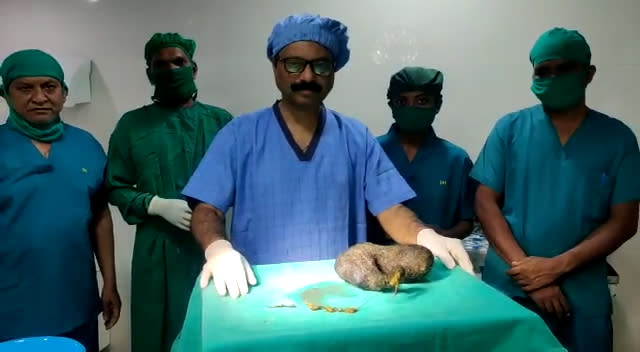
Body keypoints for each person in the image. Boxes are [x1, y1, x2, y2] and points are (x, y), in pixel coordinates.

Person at [181, 13, 474, 300]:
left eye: (320, 66)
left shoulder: (355, 137)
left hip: (345, 291)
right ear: (276, 67)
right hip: (260, 292)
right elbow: (208, 209)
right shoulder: (240, 135)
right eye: (295, 64)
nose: (307, 76)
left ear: (333, 72)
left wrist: (424, 236)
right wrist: (217, 247)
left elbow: (391, 209)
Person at [471, 27, 639, 352]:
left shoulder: (617, 139)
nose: (552, 77)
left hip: (581, 294)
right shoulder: (510, 129)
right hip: (511, 289)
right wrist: (528, 273)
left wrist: (554, 268)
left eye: (564, 69)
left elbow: (624, 222)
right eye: (543, 71)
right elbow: (484, 202)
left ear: (588, 74)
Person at [104, 33, 233, 351]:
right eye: (160, 64)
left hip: (211, 245)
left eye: (179, 62)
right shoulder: (132, 126)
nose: (171, 69)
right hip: (155, 252)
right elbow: (114, 185)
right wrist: (153, 204)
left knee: (212, 330)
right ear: (149, 72)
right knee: (157, 334)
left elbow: (246, 183)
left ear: (194, 68)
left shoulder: (220, 122)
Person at [0, 49, 121, 352]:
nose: (39, 97)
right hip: (10, 304)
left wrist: (109, 281)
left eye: (49, 87)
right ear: (5, 93)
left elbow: (100, 215)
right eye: (25, 88)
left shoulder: (85, 145)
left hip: (73, 298)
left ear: (64, 93)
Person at [368, 67, 476, 245]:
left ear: (438, 104)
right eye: (402, 101)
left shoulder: (456, 160)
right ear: (391, 105)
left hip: (438, 262)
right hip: (379, 262)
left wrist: (441, 236)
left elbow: (466, 222)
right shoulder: (371, 152)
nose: (412, 109)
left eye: (422, 101)